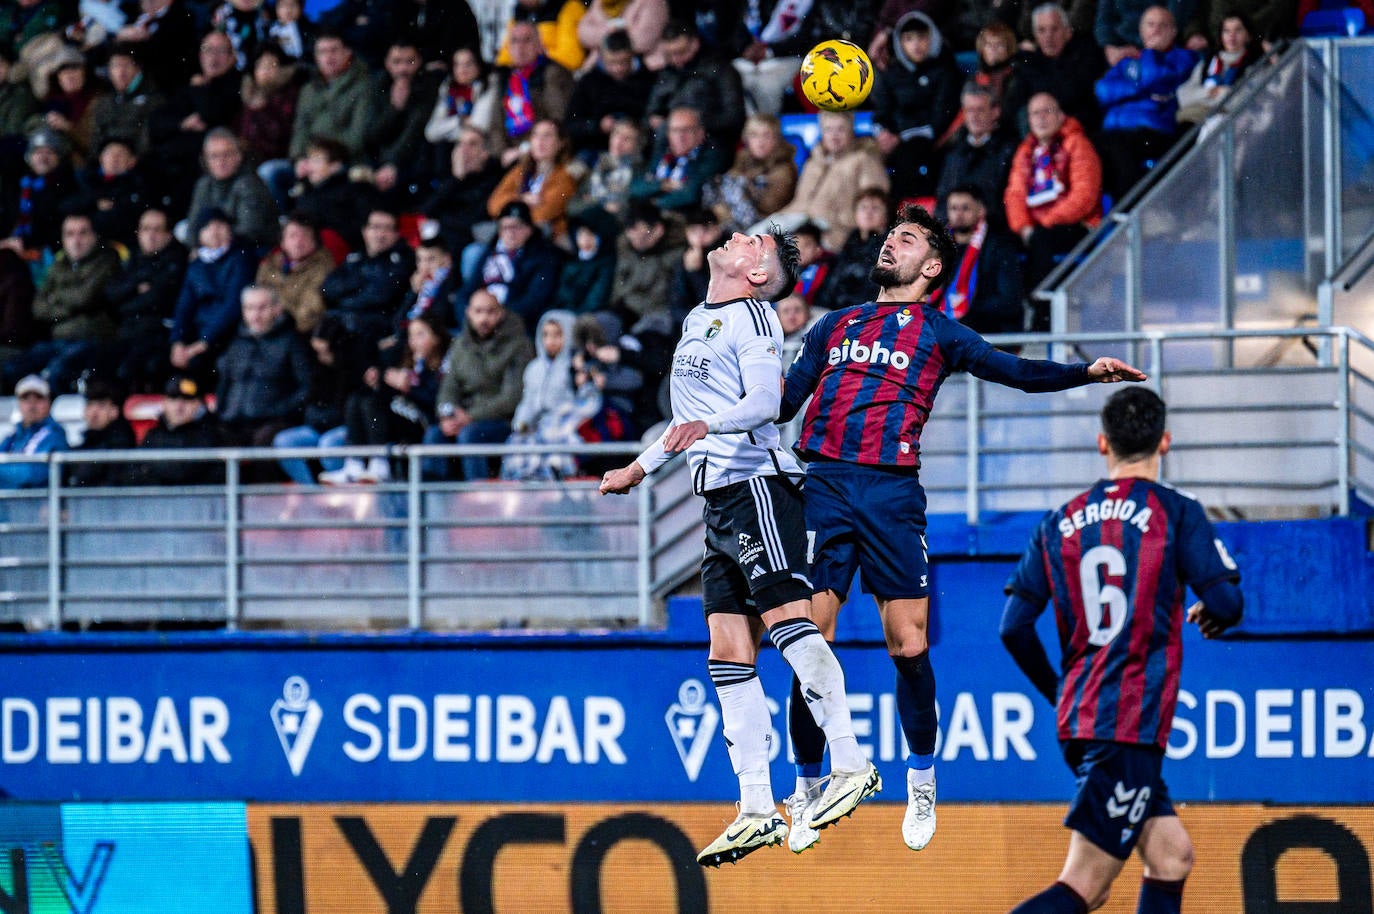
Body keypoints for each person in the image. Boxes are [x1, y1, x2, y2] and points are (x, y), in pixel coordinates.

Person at [778, 203, 1147, 856]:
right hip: (825, 486)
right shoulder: (834, 324)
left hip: (892, 495)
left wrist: (1082, 373)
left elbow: (1016, 372)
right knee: (813, 640)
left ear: (933, 266)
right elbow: (782, 401)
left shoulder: (942, 334)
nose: (892, 242)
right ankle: (807, 785)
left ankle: (921, 777)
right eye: (892, 235)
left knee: (909, 645)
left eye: (908, 238)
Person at [599, 224, 880, 866]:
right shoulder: (701, 315)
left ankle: (851, 762)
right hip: (718, 500)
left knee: (789, 625)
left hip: (757, 488)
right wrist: (640, 468)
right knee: (726, 653)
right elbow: (683, 421)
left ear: (758, 274)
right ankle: (757, 806)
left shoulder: (756, 318)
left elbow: (764, 402)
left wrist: (709, 423)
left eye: (751, 241)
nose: (735, 237)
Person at [1002, 386, 1244, 914]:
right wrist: (1209, 611)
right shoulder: (1176, 512)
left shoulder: (1058, 520)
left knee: (1172, 856)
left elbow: (1014, 627)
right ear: (1165, 442)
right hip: (1127, 729)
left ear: (1101, 444)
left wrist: (1061, 690)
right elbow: (1227, 602)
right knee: (1085, 886)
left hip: (1085, 720)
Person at [1004, 92, 1103, 330]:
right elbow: (1014, 194)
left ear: (1060, 116)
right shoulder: (1026, 150)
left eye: (1046, 111)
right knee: (1000, 243)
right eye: (1034, 113)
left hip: (1076, 226)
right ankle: (1010, 318)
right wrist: (1024, 228)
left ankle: (1043, 316)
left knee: (1043, 242)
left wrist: (1046, 222)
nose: (1040, 118)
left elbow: (1084, 197)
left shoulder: (1077, 143)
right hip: (1035, 229)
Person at [3, 212, 122, 395]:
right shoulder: (58, 266)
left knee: (56, 372)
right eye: (70, 234)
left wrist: (56, 299)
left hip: (91, 340)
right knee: (10, 369)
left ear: (94, 236)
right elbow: (39, 308)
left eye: (83, 233)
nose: (76, 240)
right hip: (57, 341)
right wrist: (72, 303)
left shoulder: (107, 260)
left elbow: (84, 297)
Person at [422, 289, 534, 481]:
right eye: (478, 311)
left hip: (503, 422)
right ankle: (434, 502)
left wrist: (470, 417)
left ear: (501, 313)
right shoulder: (459, 345)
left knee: (470, 435)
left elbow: (512, 398)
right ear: (468, 313)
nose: (484, 318)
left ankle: (478, 500)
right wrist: (447, 414)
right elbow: (448, 388)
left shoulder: (518, 345)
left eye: (490, 312)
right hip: (463, 419)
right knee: (435, 434)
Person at [1094, 6, 1197, 200]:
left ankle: (1130, 207)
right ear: (1141, 31)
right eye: (1150, 25)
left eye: (1162, 25)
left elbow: (1155, 79)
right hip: (1114, 130)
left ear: (1173, 31)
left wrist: (1149, 53)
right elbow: (1102, 90)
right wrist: (1138, 89)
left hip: (1153, 130)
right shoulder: (1128, 62)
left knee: (1118, 150)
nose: (1156, 30)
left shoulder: (1183, 58)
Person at [929, 185, 1024, 336]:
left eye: (965, 208)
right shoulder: (937, 247)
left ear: (981, 211)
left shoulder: (999, 248)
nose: (958, 214)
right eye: (954, 208)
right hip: (944, 328)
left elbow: (1009, 302)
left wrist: (968, 308)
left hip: (987, 330)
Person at [134, 374, 225, 486]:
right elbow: (135, 471)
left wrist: (152, 470)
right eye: (173, 398)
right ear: (164, 403)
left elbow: (184, 472)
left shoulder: (209, 435)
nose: (179, 406)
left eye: (187, 400)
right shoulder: (153, 435)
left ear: (197, 404)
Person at [65, 375, 136, 487]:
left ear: (115, 411)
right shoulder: (86, 443)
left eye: (101, 406)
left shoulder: (121, 443)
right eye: (90, 405)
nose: (94, 412)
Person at [0, 375, 69, 489]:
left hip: (38, 503)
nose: (32, 405)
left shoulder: (55, 435)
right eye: (25, 398)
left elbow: (32, 474)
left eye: (38, 397)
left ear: (49, 402)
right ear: (18, 403)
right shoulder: (12, 437)